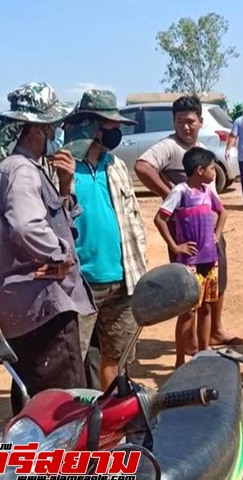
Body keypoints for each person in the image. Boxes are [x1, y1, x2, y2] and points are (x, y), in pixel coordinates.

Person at [0, 82, 95, 415]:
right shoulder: (21, 170)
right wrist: (61, 256)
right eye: (55, 126)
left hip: (30, 310)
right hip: (43, 308)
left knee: (39, 405)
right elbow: (27, 226)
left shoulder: (24, 169)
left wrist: (65, 188)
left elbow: (45, 218)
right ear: (39, 128)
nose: (58, 132)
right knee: (64, 408)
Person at [135, 94, 243, 350]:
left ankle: (215, 331)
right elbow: (142, 166)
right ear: (173, 122)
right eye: (180, 121)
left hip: (210, 228)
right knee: (188, 286)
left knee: (217, 277)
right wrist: (169, 195)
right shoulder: (169, 146)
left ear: (200, 121)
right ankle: (191, 345)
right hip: (187, 232)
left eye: (191, 121)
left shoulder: (199, 151)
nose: (186, 126)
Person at [62, 89, 148, 390]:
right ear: (90, 126)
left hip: (123, 280)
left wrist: (139, 269)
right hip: (80, 284)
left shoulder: (116, 166)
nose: (116, 132)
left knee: (117, 360)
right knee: (73, 363)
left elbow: (133, 218)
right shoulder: (62, 169)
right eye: (109, 125)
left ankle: (111, 430)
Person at [154, 147, 227, 368]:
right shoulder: (180, 192)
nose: (215, 172)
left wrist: (217, 235)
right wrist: (176, 245)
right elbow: (160, 219)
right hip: (190, 264)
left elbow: (223, 212)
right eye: (213, 168)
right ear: (200, 169)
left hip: (209, 261)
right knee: (188, 312)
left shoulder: (207, 192)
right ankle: (179, 360)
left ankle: (203, 354)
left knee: (206, 308)